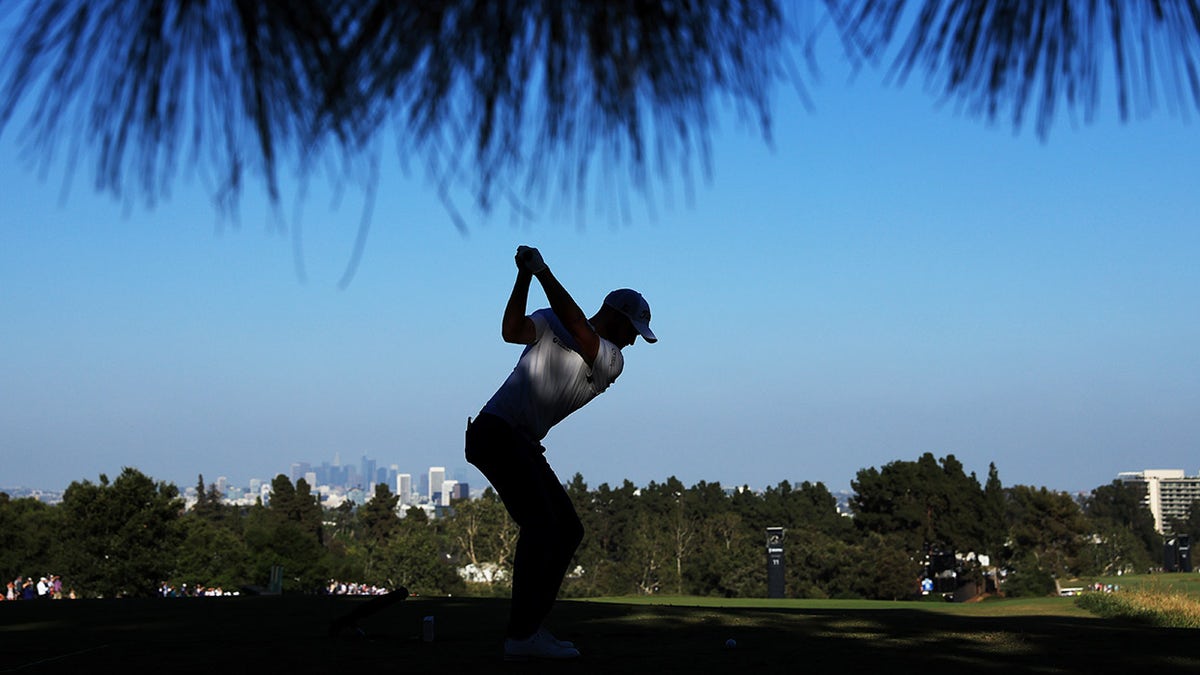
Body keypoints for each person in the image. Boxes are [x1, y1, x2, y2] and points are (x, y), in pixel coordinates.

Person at [466, 245, 656, 662]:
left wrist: (542, 271)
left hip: (519, 440)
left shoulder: (611, 360)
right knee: (542, 525)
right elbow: (511, 330)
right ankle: (523, 635)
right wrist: (526, 276)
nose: (633, 342)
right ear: (619, 317)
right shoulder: (554, 321)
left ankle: (530, 629)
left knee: (566, 529)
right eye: (633, 330)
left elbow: (579, 329)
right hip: (496, 432)